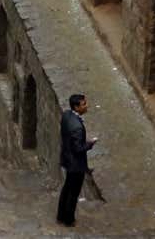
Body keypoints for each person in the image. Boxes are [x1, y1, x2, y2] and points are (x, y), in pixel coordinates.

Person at [57, 93, 97, 226]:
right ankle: (68, 219)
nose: (87, 106)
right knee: (73, 192)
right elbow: (78, 148)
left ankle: (60, 215)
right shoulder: (77, 128)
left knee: (67, 187)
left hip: (67, 158)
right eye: (84, 104)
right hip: (76, 164)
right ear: (76, 107)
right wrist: (90, 143)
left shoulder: (67, 115)